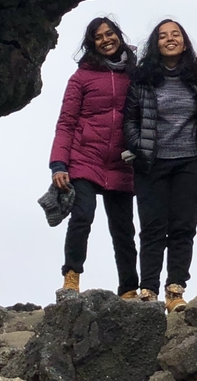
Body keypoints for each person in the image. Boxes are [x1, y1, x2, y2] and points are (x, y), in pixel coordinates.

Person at [124, 19, 197, 313]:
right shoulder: (143, 79)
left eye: (176, 34)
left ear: (185, 42)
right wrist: (138, 146)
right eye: (163, 36)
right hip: (152, 163)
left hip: (191, 162)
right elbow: (130, 120)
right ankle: (148, 291)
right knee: (152, 228)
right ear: (155, 44)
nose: (170, 39)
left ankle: (175, 290)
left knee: (183, 228)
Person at [49, 17, 138, 298]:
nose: (105, 40)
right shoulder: (81, 78)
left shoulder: (135, 74)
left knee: (123, 228)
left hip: (123, 162)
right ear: (91, 44)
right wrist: (58, 164)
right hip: (85, 157)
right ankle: (72, 276)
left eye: (109, 34)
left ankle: (129, 288)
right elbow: (66, 122)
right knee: (82, 216)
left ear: (119, 36)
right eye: (98, 37)